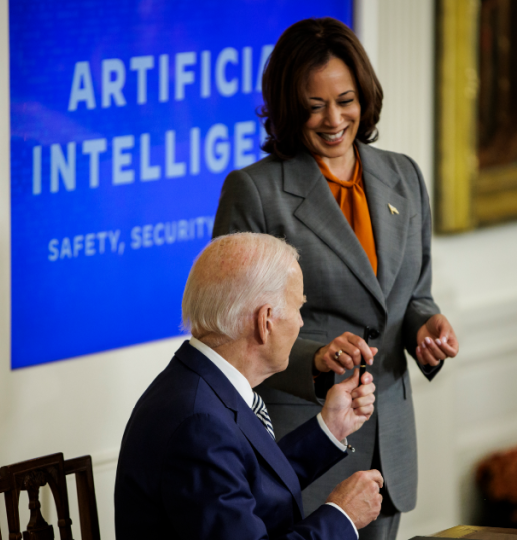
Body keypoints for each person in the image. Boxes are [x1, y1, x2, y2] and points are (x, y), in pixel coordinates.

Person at [212, 17, 459, 540]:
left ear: (364, 97)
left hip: (388, 444)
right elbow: (231, 333)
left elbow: (412, 295)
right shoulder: (255, 192)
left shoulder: (404, 176)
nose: (333, 119)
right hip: (303, 446)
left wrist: (426, 328)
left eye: (345, 100)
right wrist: (315, 360)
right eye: (314, 105)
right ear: (287, 106)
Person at [115, 232, 383, 539]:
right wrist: (342, 515)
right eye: (298, 308)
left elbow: (249, 482)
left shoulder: (200, 384)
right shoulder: (199, 425)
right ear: (265, 320)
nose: (300, 323)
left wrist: (331, 428)